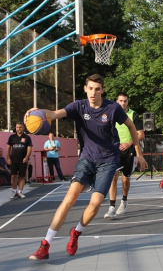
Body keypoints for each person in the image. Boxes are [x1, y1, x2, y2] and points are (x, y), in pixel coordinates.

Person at [26, 74, 147, 261]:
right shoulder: (78, 106)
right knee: (69, 198)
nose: (93, 92)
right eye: (90, 88)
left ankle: (76, 232)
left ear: (102, 90)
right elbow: (55, 114)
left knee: (96, 203)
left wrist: (138, 154)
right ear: (85, 89)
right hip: (87, 158)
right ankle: (45, 245)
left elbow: (132, 127)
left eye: (97, 89)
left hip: (108, 160)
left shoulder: (113, 108)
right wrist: (39, 112)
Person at [105, 93, 145, 218]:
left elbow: (141, 135)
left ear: (128, 102)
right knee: (113, 178)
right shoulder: (111, 114)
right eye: (120, 101)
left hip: (129, 151)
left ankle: (124, 200)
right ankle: (111, 207)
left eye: (125, 101)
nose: (123, 103)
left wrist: (129, 143)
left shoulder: (133, 115)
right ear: (116, 101)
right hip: (114, 150)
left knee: (125, 179)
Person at [6, 122, 33, 199]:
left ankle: (20, 192)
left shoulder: (27, 138)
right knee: (13, 176)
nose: (18, 129)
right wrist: (8, 158)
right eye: (17, 127)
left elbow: (29, 148)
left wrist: (27, 157)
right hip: (13, 160)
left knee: (22, 176)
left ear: (23, 128)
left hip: (23, 160)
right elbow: (8, 148)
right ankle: (14, 191)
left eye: (20, 127)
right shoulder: (12, 137)